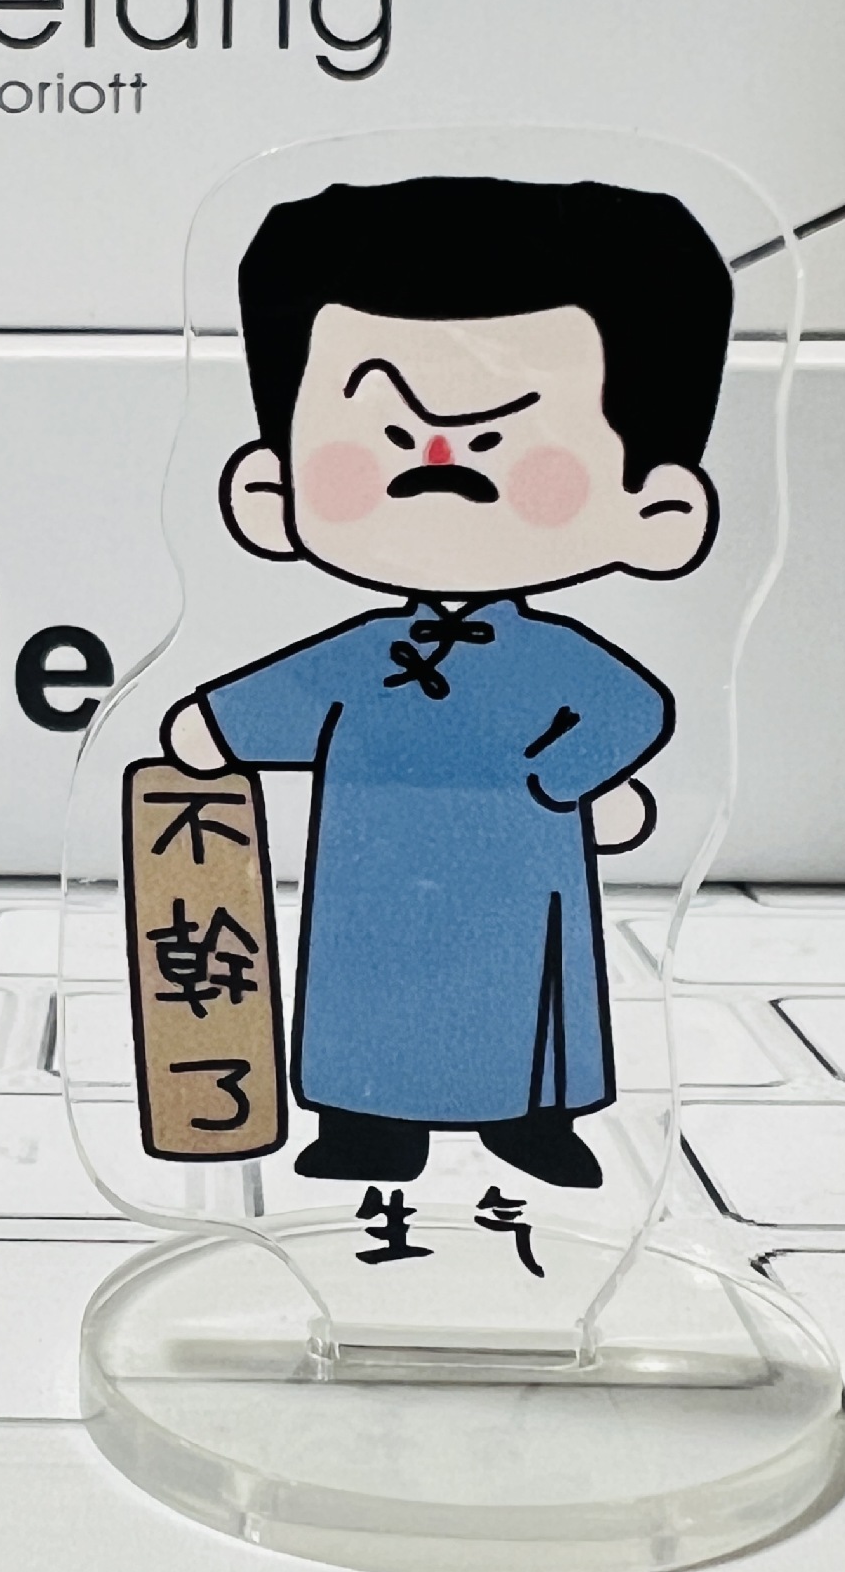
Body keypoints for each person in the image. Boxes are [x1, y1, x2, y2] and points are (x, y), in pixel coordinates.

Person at [161, 175, 732, 1187]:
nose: (437, 454)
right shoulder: (359, 653)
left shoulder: (554, 657)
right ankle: (367, 1120)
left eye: (510, 438)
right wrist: (213, 730)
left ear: (657, 513)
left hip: (521, 867)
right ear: (270, 490)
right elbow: (271, 703)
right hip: (370, 870)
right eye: (384, 433)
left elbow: (631, 707)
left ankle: (531, 1118)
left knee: (521, 995)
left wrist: (574, 778)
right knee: (365, 979)